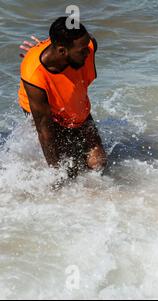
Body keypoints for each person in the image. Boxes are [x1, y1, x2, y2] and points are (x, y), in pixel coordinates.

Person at [18, 17, 107, 181]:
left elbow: (83, 43)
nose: (88, 53)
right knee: (69, 170)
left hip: (75, 106)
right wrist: (57, 176)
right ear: (61, 51)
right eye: (82, 51)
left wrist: (45, 46)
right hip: (50, 112)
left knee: (98, 165)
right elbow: (45, 132)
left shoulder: (87, 47)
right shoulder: (34, 76)